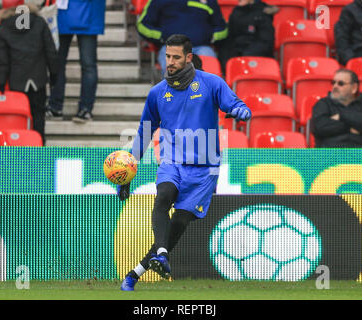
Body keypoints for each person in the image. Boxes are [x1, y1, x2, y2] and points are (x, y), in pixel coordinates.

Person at [118, 34, 251, 291]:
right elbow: (145, 131)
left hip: (205, 168)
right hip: (173, 160)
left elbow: (234, 103)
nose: (170, 61)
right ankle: (162, 255)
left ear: (188, 58)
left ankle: (138, 271)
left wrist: (241, 111)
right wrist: (128, 172)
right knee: (163, 195)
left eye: (175, 57)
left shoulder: (211, 83)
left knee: (179, 222)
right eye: (167, 56)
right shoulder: (157, 92)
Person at [0, 1, 58, 145]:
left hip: (17, 81)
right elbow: (51, 51)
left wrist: (1, 83)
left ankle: (20, 151)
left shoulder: (1, 29)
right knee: (38, 118)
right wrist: (54, 75)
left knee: (19, 119)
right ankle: (39, 150)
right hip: (38, 78)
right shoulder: (39, 22)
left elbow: (3, 61)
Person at [46, 0, 106, 123]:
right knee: (61, 64)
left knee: (85, 65)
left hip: (84, 15)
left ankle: (80, 107)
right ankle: (79, 108)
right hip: (67, 14)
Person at [136, 0, 228, 76]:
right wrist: (162, 36)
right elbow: (143, 25)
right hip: (172, 47)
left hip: (202, 47)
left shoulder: (209, 1)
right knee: (174, 78)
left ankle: (206, 98)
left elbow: (223, 28)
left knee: (210, 77)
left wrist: (210, 37)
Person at [311, 69, 362, 147]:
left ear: (354, 88)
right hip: (330, 155)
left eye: (341, 83)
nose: (335, 86)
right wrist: (349, 128)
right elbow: (320, 128)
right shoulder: (323, 104)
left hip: (361, 155)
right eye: (333, 83)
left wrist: (340, 116)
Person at [218, 0, 277, 73]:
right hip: (237, 55)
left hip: (256, 59)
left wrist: (245, 57)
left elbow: (266, 42)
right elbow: (230, 38)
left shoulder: (263, 12)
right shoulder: (236, 12)